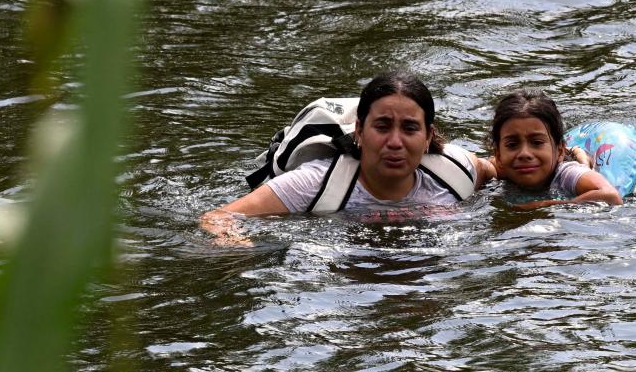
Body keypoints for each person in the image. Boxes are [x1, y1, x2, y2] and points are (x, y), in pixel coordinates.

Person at [202, 71, 496, 245]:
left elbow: (505, 167)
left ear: (428, 137)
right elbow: (217, 217)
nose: (395, 142)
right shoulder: (315, 183)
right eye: (382, 127)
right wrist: (237, 243)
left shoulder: (457, 172)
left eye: (410, 128)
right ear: (359, 131)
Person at [489, 89, 623, 208]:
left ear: (559, 151)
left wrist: (542, 206)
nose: (524, 154)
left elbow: (611, 195)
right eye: (512, 145)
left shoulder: (567, 174)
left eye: (536, 142)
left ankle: (579, 154)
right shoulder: (503, 167)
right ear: (499, 155)